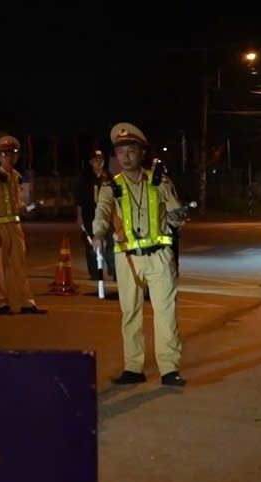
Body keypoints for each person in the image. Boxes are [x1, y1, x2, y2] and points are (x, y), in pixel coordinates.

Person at [92, 122, 186, 386]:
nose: (126, 156)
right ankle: (133, 367)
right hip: (128, 258)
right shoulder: (111, 186)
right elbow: (102, 211)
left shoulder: (159, 181)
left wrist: (174, 206)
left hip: (159, 256)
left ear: (141, 152)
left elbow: (177, 217)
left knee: (165, 312)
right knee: (130, 312)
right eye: (121, 152)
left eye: (131, 150)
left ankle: (169, 368)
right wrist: (98, 233)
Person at [0, 135, 45, 315]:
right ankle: (1, 302)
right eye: (4, 155)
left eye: (12, 154)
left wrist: (31, 207)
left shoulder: (16, 177)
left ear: (17, 157)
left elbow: (17, 203)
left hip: (15, 226)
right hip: (0, 228)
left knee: (20, 264)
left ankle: (27, 301)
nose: (8, 158)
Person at [75, 143, 116, 285]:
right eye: (96, 160)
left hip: (106, 216)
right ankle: (95, 273)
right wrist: (79, 217)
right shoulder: (85, 178)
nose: (99, 163)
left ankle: (114, 271)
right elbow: (79, 199)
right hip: (88, 216)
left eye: (101, 160)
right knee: (91, 246)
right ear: (91, 162)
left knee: (111, 244)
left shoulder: (108, 177)